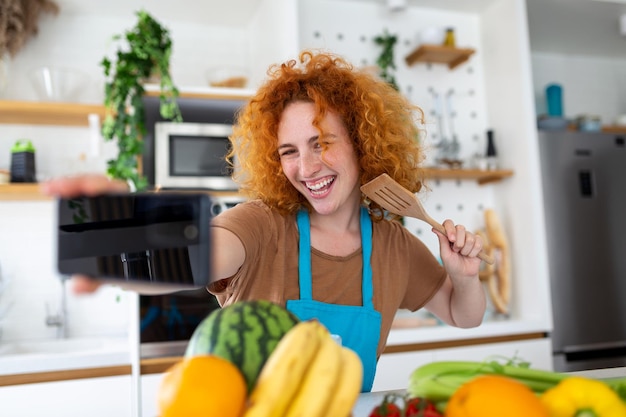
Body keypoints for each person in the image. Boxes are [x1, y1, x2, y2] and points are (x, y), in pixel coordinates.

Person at [42, 50, 486, 392]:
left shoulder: (396, 246)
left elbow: (461, 314)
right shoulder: (261, 224)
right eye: (288, 151)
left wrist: (464, 277)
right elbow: (200, 253)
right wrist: (132, 230)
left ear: (362, 145)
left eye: (321, 143)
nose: (306, 167)